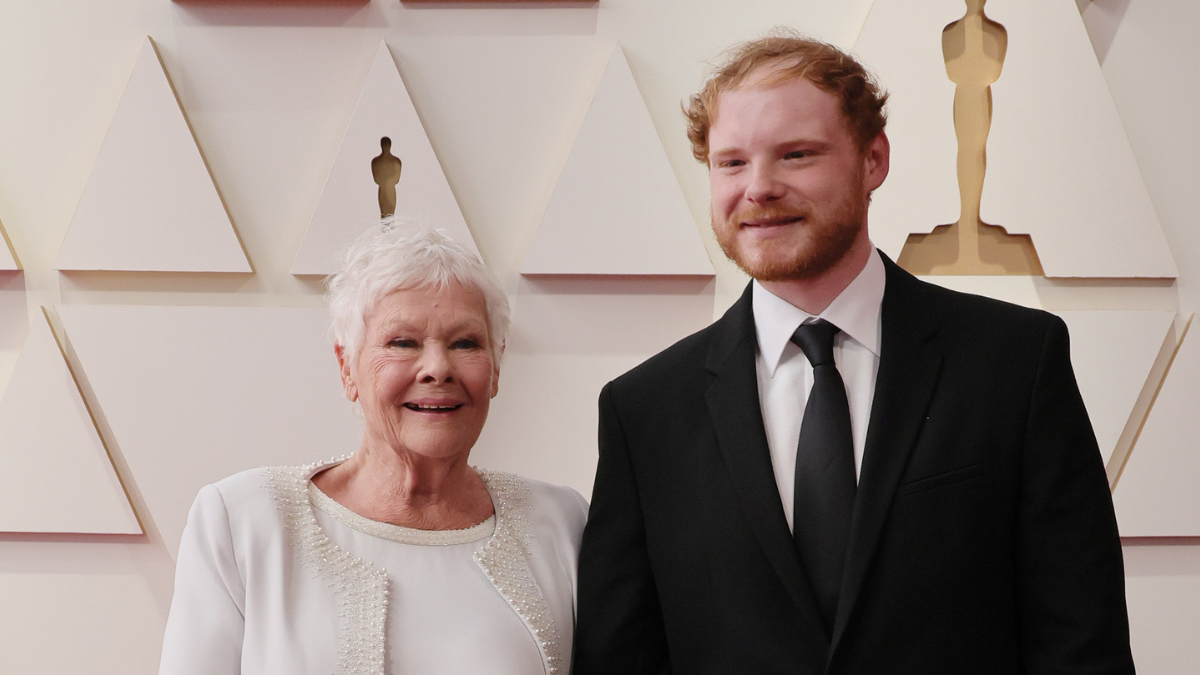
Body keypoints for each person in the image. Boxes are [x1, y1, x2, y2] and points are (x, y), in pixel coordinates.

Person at [572, 33, 1134, 674]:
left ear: (873, 160)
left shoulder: (1015, 363)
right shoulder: (643, 411)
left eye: (796, 154)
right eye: (731, 163)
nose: (759, 188)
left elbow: (1083, 645)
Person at [159, 221, 587, 675]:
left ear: (496, 367)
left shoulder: (561, 523)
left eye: (466, 343)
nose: (437, 369)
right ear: (348, 368)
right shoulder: (243, 520)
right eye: (402, 342)